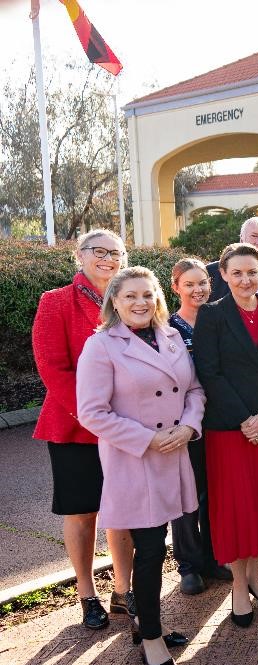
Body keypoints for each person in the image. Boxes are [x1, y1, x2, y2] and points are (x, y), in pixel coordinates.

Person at [76, 267, 204, 665]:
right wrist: (147, 439)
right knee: (149, 550)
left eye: (147, 295)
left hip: (175, 451)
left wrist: (189, 426)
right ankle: (150, 635)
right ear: (114, 300)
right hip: (137, 459)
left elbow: (195, 390)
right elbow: (92, 413)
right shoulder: (100, 346)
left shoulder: (169, 336)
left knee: (160, 543)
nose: (140, 303)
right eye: (130, 296)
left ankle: (149, 623)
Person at [32, 229, 134, 631]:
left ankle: (124, 591)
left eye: (116, 253)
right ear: (80, 255)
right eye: (99, 251)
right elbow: (52, 369)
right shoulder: (55, 302)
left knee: (123, 511)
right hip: (75, 428)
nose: (107, 259)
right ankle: (87, 594)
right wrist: (95, 417)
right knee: (82, 512)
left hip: (125, 428)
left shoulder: (131, 299)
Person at [194, 243, 258, 627]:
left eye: (252, 272)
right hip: (230, 431)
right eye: (236, 273)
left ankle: (256, 577)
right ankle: (239, 584)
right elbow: (210, 372)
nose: (245, 279)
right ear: (223, 275)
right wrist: (246, 421)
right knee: (237, 509)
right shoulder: (212, 316)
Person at [168, 258, 233, 596]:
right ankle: (188, 565)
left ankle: (212, 557)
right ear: (176, 287)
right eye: (189, 284)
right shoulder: (168, 329)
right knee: (186, 496)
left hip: (220, 420)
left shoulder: (220, 319)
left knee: (214, 493)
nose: (198, 290)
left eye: (203, 283)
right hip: (185, 424)